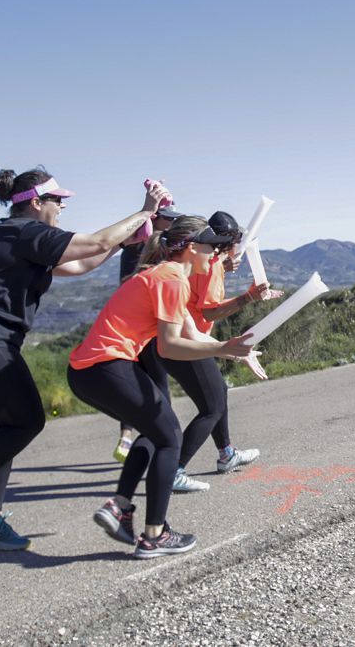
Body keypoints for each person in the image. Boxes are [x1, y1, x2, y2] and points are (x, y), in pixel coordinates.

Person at [0, 167, 169, 550]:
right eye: (57, 200)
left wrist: (125, 244)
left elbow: (80, 264)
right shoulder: (25, 232)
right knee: (27, 421)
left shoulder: (17, 237)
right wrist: (144, 211)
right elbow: (95, 241)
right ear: (36, 203)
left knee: (3, 428)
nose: (62, 207)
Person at [67, 215, 258, 558]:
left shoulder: (166, 275)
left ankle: (120, 507)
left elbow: (192, 334)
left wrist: (232, 352)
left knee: (155, 430)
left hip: (90, 370)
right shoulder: (172, 280)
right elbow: (169, 346)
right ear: (190, 248)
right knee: (169, 434)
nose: (216, 256)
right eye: (212, 248)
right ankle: (154, 535)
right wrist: (221, 348)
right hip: (106, 365)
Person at [158, 211, 282, 493]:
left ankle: (226, 452)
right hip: (187, 340)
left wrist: (224, 267)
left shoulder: (208, 263)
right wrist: (247, 298)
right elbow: (209, 309)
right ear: (229, 244)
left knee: (218, 394)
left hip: (182, 337)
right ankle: (174, 470)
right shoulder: (210, 267)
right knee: (211, 406)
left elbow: (198, 292)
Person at [112, 205, 183, 463]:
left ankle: (128, 435)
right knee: (157, 381)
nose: (172, 224)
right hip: (143, 327)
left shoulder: (143, 245)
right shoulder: (145, 247)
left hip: (132, 327)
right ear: (155, 219)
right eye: (169, 219)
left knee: (138, 383)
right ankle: (165, 437)